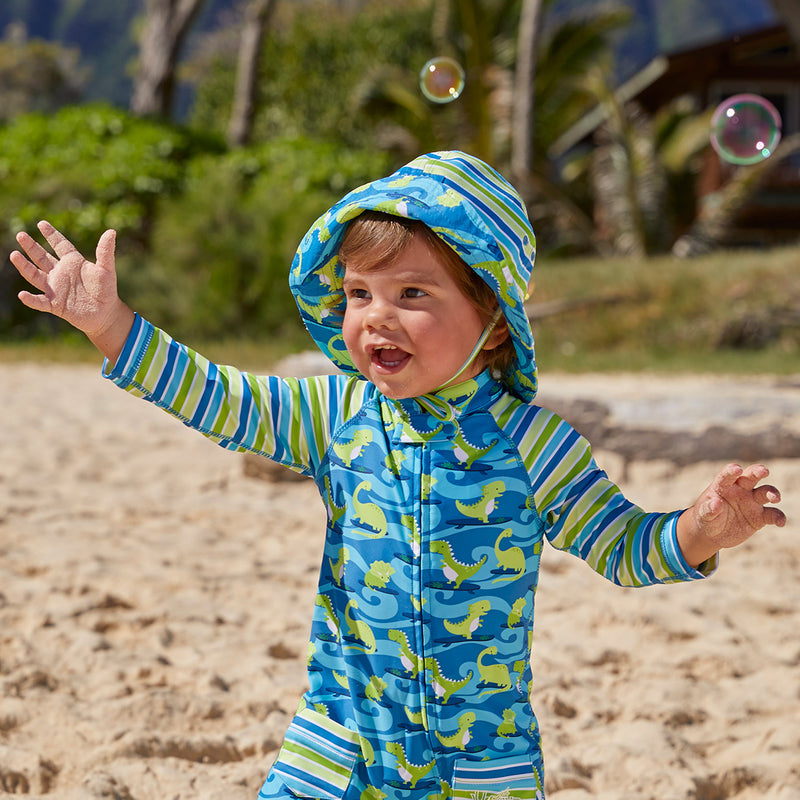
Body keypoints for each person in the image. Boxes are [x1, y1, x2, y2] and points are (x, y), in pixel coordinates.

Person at [9, 151, 785, 800]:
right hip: (343, 738)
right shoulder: (336, 414)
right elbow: (223, 400)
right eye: (357, 293)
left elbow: (622, 545)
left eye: (412, 293)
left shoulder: (532, 445)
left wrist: (700, 528)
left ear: (491, 322)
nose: (375, 316)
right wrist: (111, 327)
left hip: (479, 764)